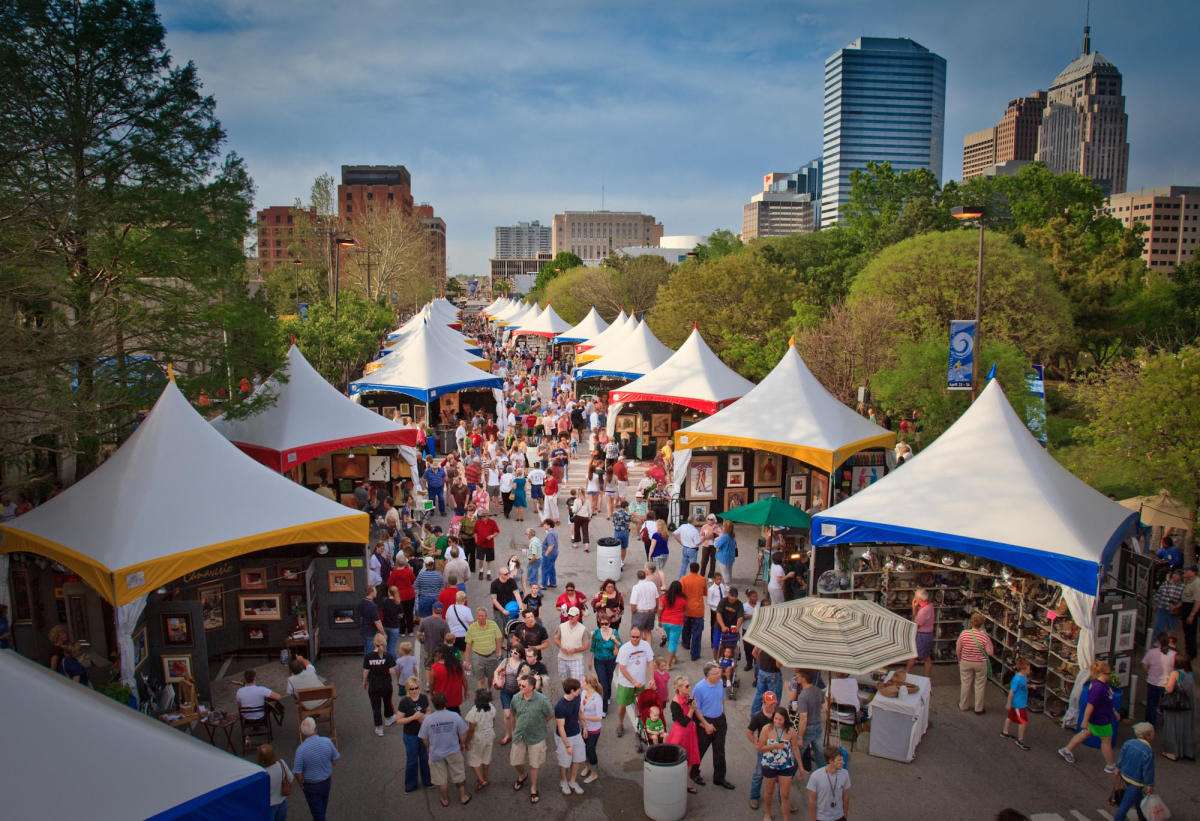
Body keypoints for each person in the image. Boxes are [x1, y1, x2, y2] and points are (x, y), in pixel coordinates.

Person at [1058, 660, 1119, 772]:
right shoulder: (1098, 688)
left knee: (1085, 733)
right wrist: (1085, 721)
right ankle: (1110, 765)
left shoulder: (1102, 685)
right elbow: (1090, 706)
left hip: (1100, 718)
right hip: (1101, 720)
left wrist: (1114, 711)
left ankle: (1067, 749)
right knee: (1106, 742)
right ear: (1102, 673)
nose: (1110, 675)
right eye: (1108, 673)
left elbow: (1107, 701)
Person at [419, 691, 472, 807]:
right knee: (458, 774)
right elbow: (463, 732)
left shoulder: (428, 720)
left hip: (436, 753)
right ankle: (463, 796)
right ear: (446, 703)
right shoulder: (454, 716)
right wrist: (463, 744)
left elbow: (424, 737)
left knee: (440, 778)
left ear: (433, 704)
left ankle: (444, 799)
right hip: (453, 750)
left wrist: (427, 748)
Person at [510, 674, 555, 804]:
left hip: (536, 737)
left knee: (534, 764)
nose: (520, 687)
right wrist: (514, 730)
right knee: (516, 761)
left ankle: (533, 787)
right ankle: (522, 775)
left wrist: (539, 725)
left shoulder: (542, 700)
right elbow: (513, 713)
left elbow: (549, 715)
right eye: (519, 685)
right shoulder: (516, 698)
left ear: (532, 687)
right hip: (520, 735)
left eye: (523, 686)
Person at [692, 661, 735, 789]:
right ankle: (694, 772)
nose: (719, 675)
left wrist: (724, 715)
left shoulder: (719, 683)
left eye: (719, 672)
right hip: (706, 721)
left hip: (720, 720)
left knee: (719, 751)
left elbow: (722, 699)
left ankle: (719, 778)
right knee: (700, 749)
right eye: (716, 673)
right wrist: (706, 725)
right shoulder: (699, 688)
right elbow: (696, 709)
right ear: (708, 675)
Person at [757, 706, 800, 821]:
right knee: (769, 792)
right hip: (769, 764)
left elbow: (795, 748)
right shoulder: (767, 729)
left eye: (780, 719)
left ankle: (786, 818)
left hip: (786, 765)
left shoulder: (791, 731)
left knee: (785, 795)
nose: (777, 722)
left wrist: (800, 766)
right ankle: (767, 814)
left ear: (785, 719)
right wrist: (774, 746)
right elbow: (760, 747)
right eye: (775, 719)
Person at [293, 716, 339, 821]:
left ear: (303, 733)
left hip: (311, 785)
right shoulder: (327, 741)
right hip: (326, 781)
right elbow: (336, 758)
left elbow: (297, 772)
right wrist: (328, 767)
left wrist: (301, 783)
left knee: (317, 812)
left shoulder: (301, 750)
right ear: (316, 729)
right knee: (322, 807)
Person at [665, 675, 702, 795]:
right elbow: (684, 722)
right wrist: (691, 709)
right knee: (678, 760)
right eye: (686, 686)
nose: (689, 688)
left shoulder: (687, 697)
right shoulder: (675, 704)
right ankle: (675, 783)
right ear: (679, 688)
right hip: (681, 734)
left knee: (690, 759)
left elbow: (694, 715)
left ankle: (683, 783)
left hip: (690, 732)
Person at [1113, 722, 1156, 821]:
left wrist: (1118, 768)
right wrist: (1150, 784)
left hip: (1125, 775)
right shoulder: (1148, 751)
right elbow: (1148, 770)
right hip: (1136, 782)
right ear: (1148, 735)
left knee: (1137, 798)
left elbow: (1121, 758)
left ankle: (1142, 816)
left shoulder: (1129, 743)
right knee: (1125, 806)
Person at [614, 627, 652, 737]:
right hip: (626, 683)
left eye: (637, 637)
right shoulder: (625, 648)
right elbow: (622, 668)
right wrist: (633, 681)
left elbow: (650, 661)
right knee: (622, 705)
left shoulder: (645, 646)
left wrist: (652, 678)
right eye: (633, 637)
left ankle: (638, 727)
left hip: (640, 683)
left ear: (641, 636)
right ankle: (620, 724)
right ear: (630, 636)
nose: (635, 639)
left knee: (639, 706)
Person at [747, 691, 781, 812]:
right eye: (770, 704)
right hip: (764, 749)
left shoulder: (778, 714)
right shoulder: (757, 716)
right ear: (763, 702)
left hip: (778, 748)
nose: (772, 706)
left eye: (774, 704)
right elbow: (749, 732)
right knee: (759, 773)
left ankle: (784, 801)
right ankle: (754, 797)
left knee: (781, 776)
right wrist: (755, 742)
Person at [396, 676, 432, 791]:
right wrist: (413, 717)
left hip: (423, 734)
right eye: (411, 689)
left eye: (416, 688)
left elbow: (428, 711)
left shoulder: (423, 698)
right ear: (407, 689)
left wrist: (424, 716)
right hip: (410, 735)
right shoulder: (404, 702)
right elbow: (399, 720)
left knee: (425, 759)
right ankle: (410, 785)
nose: (414, 691)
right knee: (412, 761)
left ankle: (428, 781)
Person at [554, 677, 587, 795]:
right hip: (565, 738)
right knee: (564, 762)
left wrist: (584, 727)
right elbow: (561, 727)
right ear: (572, 691)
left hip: (576, 733)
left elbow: (579, 712)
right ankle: (563, 781)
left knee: (577, 759)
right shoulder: (560, 706)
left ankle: (572, 781)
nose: (580, 690)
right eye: (578, 689)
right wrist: (567, 745)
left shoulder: (577, 698)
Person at [788, 668, 826, 770]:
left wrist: (800, 737)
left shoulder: (803, 696)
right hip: (818, 726)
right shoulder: (818, 691)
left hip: (808, 728)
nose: (797, 677)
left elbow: (803, 719)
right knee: (819, 754)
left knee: (797, 753)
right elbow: (824, 708)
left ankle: (788, 775)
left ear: (804, 678)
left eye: (798, 676)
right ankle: (824, 774)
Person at [956, 612, 994, 714]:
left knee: (965, 684)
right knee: (980, 686)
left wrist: (960, 660)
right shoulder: (984, 637)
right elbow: (990, 653)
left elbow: (958, 649)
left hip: (965, 662)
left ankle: (963, 705)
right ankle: (978, 708)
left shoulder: (964, 633)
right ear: (982, 624)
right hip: (980, 663)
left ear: (971, 622)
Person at [1160, 652, 1195, 760]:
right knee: (1185, 727)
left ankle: (1172, 752)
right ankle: (1186, 751)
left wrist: (1166, 683)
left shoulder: (1175, 673)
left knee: (1172, 727)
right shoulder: (1191, 674)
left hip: (1175, 705)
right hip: (1188, 704)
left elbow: (1169, 689)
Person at [363, 632, 398, 737]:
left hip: (374, 685)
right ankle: (388, 719)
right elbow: (392, 671)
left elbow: (366, 671)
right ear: (384, 643)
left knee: (376, 707)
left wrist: (364, 681)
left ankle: (379, 727)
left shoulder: (368, 656)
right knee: (387, 702)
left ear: (374, 643)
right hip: (386, 684)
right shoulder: (388, 656)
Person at [463, 688, 497, 791]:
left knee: (474, 759)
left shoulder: (473, 713)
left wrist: (466, 742)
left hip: (478, 738)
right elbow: (494, 720)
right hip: (489, 734)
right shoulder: (491, 707)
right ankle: (485, 776)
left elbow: (471, 730)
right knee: (486, 757)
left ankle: (481, 780)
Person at [806, 744, 850, 821]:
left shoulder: (845, 774)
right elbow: (812, 801)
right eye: (839, 760)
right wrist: (813, 819)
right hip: (822, 818)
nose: (843, 762)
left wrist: (845, 815)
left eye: (842, 759)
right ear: (831, 761)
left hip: (840, 817)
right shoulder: (815, 776)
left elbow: (846, 797)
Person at [1142, 632, 1176, 728]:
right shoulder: (1173, 654)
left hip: (1152, 682)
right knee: (1166, 705)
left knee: (1152, 705)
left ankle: (1150, 725)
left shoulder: (1152, 652)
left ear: (1158, 642)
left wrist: (1150, 671)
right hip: (1167, 683)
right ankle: (1167, 724)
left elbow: (1144, 666)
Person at [464, 608, 504, 690]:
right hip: (478, 657)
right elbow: (468, 645)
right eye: (479, 616)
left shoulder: (493, 625)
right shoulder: (472, 627)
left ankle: (488, 690)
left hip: (491, 656)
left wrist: (498, 650)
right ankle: (482, 697)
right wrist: (467, 661)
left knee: (491, 677)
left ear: (486, 616)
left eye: (482, 616)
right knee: (480, 679)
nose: (480, 618)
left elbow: (498, 638)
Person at [589, 614, 620, 712]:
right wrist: (590, 661)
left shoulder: (614, 632)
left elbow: (621, 645)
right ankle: (604, 709)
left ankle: (608, 695)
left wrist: (615, 640)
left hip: (611, 660)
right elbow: (592, 648)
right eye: (602, 624)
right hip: (599, 661)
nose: (604, 626)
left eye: (606, 624)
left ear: (610, 623)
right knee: (603, 683)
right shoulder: (596, 634)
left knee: (609, 679)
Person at [1001, 658, 1033, 750]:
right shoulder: (1017, 679)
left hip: (1018, 703)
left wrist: (1030, 686)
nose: (1029, 671)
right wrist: (1008, 703)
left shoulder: (1023, 677)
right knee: (1023, 722)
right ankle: (1020, 740)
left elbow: (1024, 686)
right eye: (1028, 669)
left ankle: (1005, 732)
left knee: (1010, 717)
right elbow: (1011, 692)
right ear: (1023, 669)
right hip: (1019, 704)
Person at [579, 674, 605, 784]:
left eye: (583, 681)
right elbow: (581, 710)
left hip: (594, 729)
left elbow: (599, 717)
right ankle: (587, 767)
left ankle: (594, 773)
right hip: (585, 727)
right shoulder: (583, 693)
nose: (581, 683)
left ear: (588, 684)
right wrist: (584, 727)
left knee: (590, 750)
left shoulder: (597, 699)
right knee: (583, 748)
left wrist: (586, 717)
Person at [680, 562, 708, 662]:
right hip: (698, 610)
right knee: (697, 633)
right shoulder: (702, 580)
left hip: (687, 609)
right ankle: (695, 654)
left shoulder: (684, 579)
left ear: (690, 569)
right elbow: (705, 593)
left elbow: (681, 593)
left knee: (686, 628)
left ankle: (686, 643)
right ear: (698, 569)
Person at [905, 588, 935, 678]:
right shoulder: (930, 605)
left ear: (920, 599)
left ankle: (926, 679)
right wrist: (914, 607)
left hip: (923, 636)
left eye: (916, 597)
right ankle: (906, 673)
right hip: (926, 635)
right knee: (915, 655)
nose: (914, 598)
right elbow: (917, 618)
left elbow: (916, 625)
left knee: (926, 658)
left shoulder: (924, 611)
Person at [258, 743, 292, 821]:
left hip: (268, 804)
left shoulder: (260, 771)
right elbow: (290, 778)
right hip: (281, 799)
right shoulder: (281, 763)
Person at [429, 646, 468, 714]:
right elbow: (464, 680)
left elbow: (431, 684)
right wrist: (466, 692)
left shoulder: (435, 668)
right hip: (455, 697)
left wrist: (431, 694)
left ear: (441, 654)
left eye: (436, 652)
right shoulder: (457, 665)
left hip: (441, 699)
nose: (435, 654)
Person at [658, 580, 687, 669]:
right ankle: (669, 664)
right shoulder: (683, 599)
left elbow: (660, 609)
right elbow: (684, 610)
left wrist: (659, 620)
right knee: (673, 642)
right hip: (677, 623)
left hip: (665, 621)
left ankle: (673, 657)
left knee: (670, 639)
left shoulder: (664, 597)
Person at [555, 606, 589, 682]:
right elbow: (556, 638)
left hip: (576, 660)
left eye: (573, 616)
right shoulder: (561, 626)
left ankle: (577, 694)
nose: (571, 617)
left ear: (578, 616)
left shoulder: (583, 629)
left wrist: (576, 650)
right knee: (564, 682)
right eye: (570, 615)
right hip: (562, 659)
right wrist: (561, 647)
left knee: (577, 683)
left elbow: (586, 645)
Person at [629, 568, 660, 644]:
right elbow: (657, 598)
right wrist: (656, 608)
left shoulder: (636, 587)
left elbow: (633, 603)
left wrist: (633, 613)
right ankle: (648, 651)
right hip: (651, 612)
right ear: (645, 575)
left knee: (636, 633)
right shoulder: (652, 584)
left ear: (637, 577)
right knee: (648, 632)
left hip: (640, 613)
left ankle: (638, 650)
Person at [417, 603, 450, 668]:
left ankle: (428, 678)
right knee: (438, 667)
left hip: (428, 648)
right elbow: (447, 637)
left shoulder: (425, 620)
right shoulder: (444, 623)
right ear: (442, 610)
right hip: (440, 650)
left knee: (428, 667)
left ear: (432, 609)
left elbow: (419, 633)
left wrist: (422, 639)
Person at [1153, 569, 1185, 638]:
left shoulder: (1182, 587)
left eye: (1178, 575)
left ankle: (1168, 643)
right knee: (1159, 626)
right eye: (1175, 574)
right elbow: (1158, 594)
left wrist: (1176, 606)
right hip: (1162, 609)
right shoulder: (1165, 583)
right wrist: (1155, 605)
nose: (1176, 576)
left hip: (1173, 612)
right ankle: (1156, 641)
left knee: (1171, 628)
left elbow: (1183, 600)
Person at [751, 647, 782, 716]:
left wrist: (761, 662)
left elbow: (754, 653)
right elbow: (778, 665)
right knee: (774, 698)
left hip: (762, 671)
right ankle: (773, 717)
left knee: (759, 694)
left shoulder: (763, 639)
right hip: (773, 673)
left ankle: (754, 716)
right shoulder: (777, 645)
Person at [473, 510, 500, 581]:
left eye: (484, 517)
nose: (482, 518)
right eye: (482, 517)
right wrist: (476, 539)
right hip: (480, 544)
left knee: (489, 560)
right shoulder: (478, 522)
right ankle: (481, 572)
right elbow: (475, 532)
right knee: (481, 559)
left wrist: (491, 536)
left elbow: (497, 532)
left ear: (487, 517)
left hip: (489, 545)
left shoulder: (492, 523)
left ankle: (489, 573)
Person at [673, 515, 702, 580]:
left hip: (685, 547)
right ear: (693, 521)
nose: (697, 521)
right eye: (696, 520)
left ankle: (681, 579)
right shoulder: (694, 530)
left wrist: (681, 542)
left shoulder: (683, 526)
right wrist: (704, 538)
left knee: (684, 565)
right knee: (692, 566)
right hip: (692, 549)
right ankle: (691, 580)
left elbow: (674, 534)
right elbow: (697, 543)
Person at [357, 586, 384, 655]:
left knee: (366, 650)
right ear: (371, 592)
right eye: (375, 591)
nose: (376, 592)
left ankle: (366, 664)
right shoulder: (372, 605)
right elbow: (377, 621)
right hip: (371, 631)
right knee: (371, 652)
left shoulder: (362, 602)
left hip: (364, 629)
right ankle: (369, 664)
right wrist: (383, 633)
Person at [1182, 564, 1200, 662]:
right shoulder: (1188, 581)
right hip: (1185, 607)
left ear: (1193, 572)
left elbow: (1198, 601)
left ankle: (1191, 654)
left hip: (1191, 608)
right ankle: (1188, 650)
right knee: (1186, 631)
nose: (1185, 572)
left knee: (1190, 632)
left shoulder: (1197, 583)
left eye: (1187, 570)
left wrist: (1192, 615)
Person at [714, 521, 737, 586]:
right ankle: (729, 584)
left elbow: (716, 545)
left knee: (725, 573)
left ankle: (727, 586)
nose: (722, 527)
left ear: (726, 528)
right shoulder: (732, 535)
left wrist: (716, 540)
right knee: (729, 571)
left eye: (724, 526)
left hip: (723, 557)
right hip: (731, 556)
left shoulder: (724, 536)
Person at [540, 518, 560, 588]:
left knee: (544, 568)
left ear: (549, 525)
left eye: (545, 524)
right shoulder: (554, 532)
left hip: (549, 554)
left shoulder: (550, 534)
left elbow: (551, 545)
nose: (544, 526)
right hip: (554, 553)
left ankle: (544, 584)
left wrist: (546, 554)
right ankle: (553, 583)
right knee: (551, 568)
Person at [612, 499, 632, 566]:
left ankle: (616, 560)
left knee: (616, 547)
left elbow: (614, 522)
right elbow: (629, 523)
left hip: (617, 531)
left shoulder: (615, 513)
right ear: (626, 507)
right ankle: (621, 561)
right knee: (623, 548)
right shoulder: (628, 514)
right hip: (624, 532)